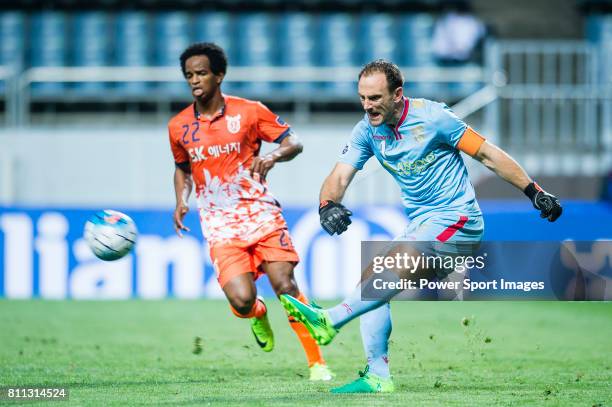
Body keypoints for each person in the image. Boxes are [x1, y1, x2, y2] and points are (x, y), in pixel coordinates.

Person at [279, 59, 562, 392]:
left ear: (398, 94)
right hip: (424, 223)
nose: (367, 106)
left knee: (385, 272)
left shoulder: (434, 117)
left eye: (375, 98)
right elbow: (340, 175)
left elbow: (486, 154)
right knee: (371, 282)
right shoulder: (366, 131)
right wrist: (327, 204)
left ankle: (330, 320)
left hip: (459, 220)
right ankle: (377, 376)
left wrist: (533, 191)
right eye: (363, 98)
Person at [168, 42, 333, 381]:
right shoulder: (178, 126)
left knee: (285, 285)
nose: (195, 81)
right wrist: (181, 198)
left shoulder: (250, 112)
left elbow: (293, 142)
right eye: (189, 76)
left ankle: (317, 364)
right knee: (242, 300)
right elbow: (182, 168)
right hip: (220, 226)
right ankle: (257, 314)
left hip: (261, 214)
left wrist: (272, 156)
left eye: (201, 73)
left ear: (219, 75)